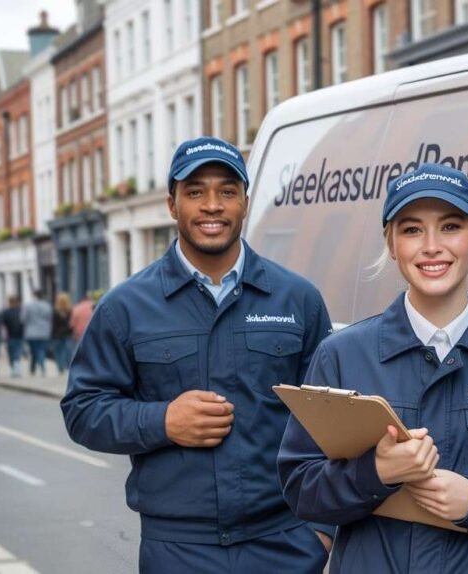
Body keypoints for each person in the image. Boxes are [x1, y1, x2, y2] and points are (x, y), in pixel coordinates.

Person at [278, 163, 468, 573]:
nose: (432, 246)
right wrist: (375, 472)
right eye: (412, 230)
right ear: (393, 245)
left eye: (451, 227)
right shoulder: (341, 355)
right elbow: (301, 489)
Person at [61, 137, 334, 574]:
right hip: (178, 550)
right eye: (195, 192)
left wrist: (324, 531)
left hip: (286, 543)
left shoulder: (297, 300)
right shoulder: (125, 307)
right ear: (172, 205)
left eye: (227, 191)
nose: (212, 205)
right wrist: (163, 421)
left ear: (246, 202)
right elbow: (82, 410)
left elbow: (333, 421)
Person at [22, 290, 53, 377]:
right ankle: (38, 367)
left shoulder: (28, 306)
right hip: (44, 332)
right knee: (41, 350)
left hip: (31, 333)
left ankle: (37, 367)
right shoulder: (47, 306)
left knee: (34, 351)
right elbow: (50, 319)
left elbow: (23, 319)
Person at [51, 292, 74, 374]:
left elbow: (53, 325)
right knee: (68, 351)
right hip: (68, 334)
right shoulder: (71, 311)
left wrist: (52, 335)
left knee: (58, 351)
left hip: (57, 334)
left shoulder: (55, 311)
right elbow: (72, 323)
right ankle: (68, 366)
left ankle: (60, 367)